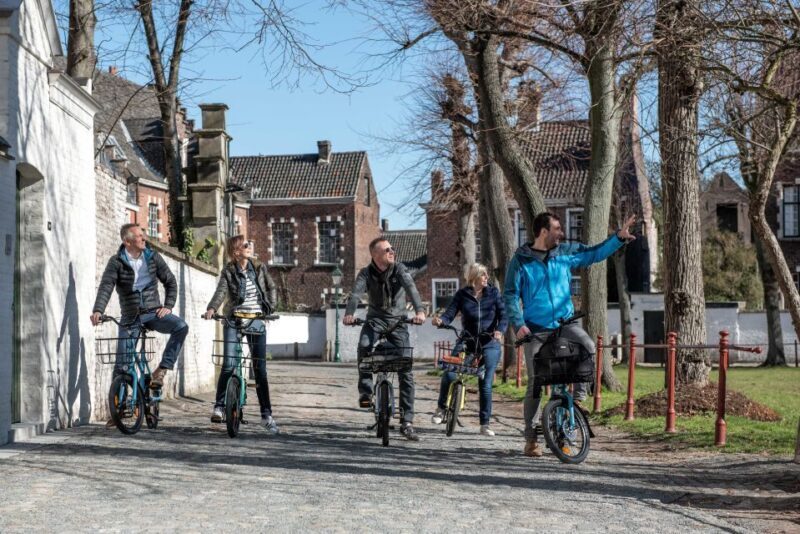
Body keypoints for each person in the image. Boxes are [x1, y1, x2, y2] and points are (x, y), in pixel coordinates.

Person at [504, 212, 636, 457]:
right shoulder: (521, 261)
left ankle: (574, 402)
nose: (561, 233)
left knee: (587, 345)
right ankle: (531, 438)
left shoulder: (564, 253)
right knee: (535, 382)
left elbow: (594, 253)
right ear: (543, 231)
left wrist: (618, 237)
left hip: (564, 323)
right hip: (535, 328)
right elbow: (510, 295)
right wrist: (519, 324)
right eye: (556, 229)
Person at [343, 237, 426, 441]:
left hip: (398, 322)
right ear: (375, 254)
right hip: (375, 321)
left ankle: (407, 421)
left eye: (392, 249)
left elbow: (411, 289)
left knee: (405, 367)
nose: (392, 252)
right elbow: (355, 294)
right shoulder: (365, 273)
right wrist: (349, 313)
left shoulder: (399, 269)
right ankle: (365, 392)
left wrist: (420, 311)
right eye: (387, 249)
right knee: (364, 345)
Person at [91, 224, 189, 397]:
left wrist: (168, 306)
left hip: (153, 313)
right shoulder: (116, 262)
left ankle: (161, 370)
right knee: (122, 365)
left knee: (181, 326)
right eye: (139, 236)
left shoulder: (153, 257)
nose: (144, 239)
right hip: (130, 317)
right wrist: (98, 310)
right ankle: (117, 409)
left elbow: (171, 282)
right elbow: (106, 286)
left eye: (143, 236)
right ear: (127, 241)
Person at [204, 235, 279, 434]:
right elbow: (221, 292)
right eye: (245, 245)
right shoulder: (229, 271)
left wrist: (269, 309)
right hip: (234, 319)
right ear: (236, 252)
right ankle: (219, 406)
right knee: (228, 363)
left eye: (249, 244)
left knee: (259, 369)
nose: (249, 247)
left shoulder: (259, 267)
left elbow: (271, 288)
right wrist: (212, 308)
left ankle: (266, 415)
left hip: (256, 320)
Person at [432, 263, 507, 436]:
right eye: (484, 275)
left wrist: (499, 331)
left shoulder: (494, 293)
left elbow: (504, 316)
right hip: (467, 340)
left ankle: (485, 424)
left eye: (487, 275)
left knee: (485, 383)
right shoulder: (462, 295)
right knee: (450, 371)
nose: (487, 278)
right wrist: (441, 321)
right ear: (474, 277)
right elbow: (450, 313)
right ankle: (441, 408)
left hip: (489, 342)